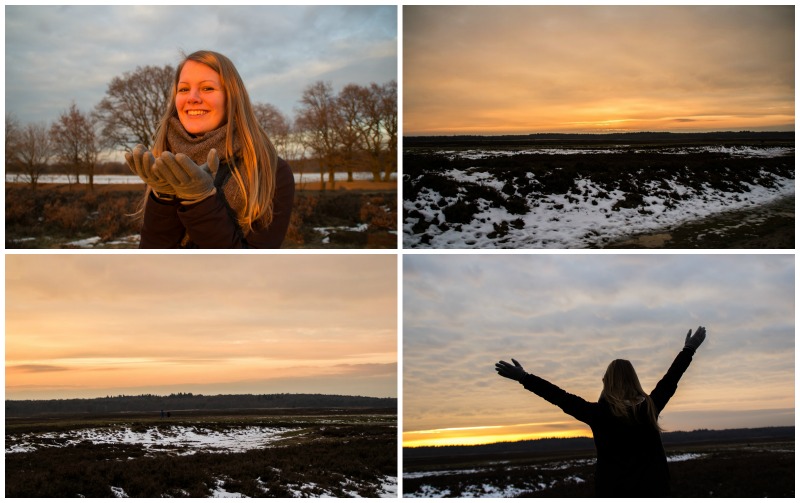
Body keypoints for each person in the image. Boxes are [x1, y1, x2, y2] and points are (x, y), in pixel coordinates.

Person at [495, 326, 706, 497]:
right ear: (634, 380)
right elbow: (671, 378)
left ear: (606, 381)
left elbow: (558, 396)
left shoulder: (598, 414)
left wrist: (523, 377)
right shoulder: (650, 407)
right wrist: (689, 349)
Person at [125, 50, 295, 248]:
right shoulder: (163, 163)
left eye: (207, 88)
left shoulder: (270, 171)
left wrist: (199, 200)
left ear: (231, 98)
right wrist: (163, 198)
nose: (193, 98)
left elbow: (250, 269)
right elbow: (152, 259)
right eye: (183, 89)